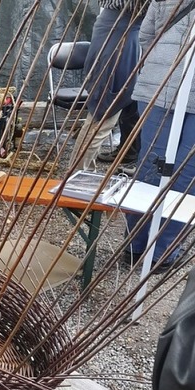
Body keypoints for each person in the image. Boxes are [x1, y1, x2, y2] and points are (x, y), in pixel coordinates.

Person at [124, 0, 195, 272]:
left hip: (159, 84)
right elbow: (147, 33)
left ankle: (147, 247)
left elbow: (147, 35)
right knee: (164, 171)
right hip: (160, 87)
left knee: (158, 168)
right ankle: (151, 249)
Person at [69, 1, 148, 172]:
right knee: (103, 113)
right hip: (118, 36)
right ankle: (76, 175)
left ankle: (83, 171)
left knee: (107, 110)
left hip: (121, 33)